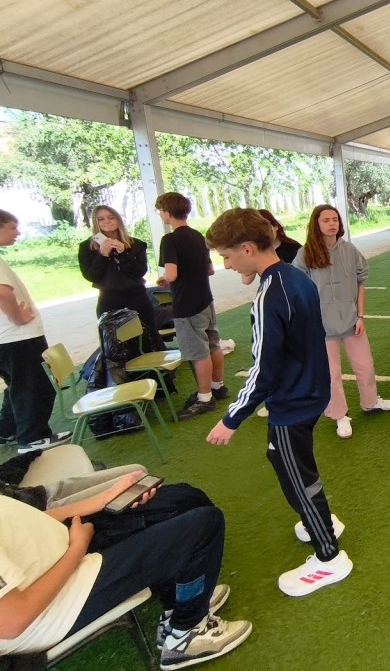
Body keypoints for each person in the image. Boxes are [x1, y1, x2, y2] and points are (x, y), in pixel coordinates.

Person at [204, 208, 350, 597]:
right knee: (293, 463)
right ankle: (320, 521)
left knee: (297, 477)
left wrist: (231, 419)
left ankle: (329, 557)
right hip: (311, 392)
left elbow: (263, 370)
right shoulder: (296, 276)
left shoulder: (269, 296)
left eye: (227, 256)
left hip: (292, 402)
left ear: (247, 248)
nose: (227, 265)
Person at [0, 480, 251, 669]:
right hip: (56, 605)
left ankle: (180, 605)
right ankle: (186, 634)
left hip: (63, 548)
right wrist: (77, 548)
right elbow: (12, 622)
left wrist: (104, 500)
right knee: (204, 525)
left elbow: (25, 519)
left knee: (185, 499)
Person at [293, 205, 390, 440]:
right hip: (321, 327)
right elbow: (298, 292)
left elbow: (360, 283)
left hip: (351, 322)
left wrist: (360, 316)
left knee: (365, 366)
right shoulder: (304, 254)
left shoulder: (349, 250)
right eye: (326, 220)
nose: (332, 224)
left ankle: (370, 402)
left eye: (335, 219)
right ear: (316, 224)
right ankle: (340, 414)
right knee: (331, 374)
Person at [0, 210, 70, 454]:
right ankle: (33, 438)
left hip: (9, 339)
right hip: (17, 337)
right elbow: (3, 292)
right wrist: (18, 317)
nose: (17, 232)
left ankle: (7, 430)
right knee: (34, 386)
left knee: (18, 385)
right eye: (12, 227)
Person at [155, 192, 228, 419]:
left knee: (198, 352)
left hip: (186, 305)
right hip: (206, 299)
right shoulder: (198, 236)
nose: (161, 215)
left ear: (167, 213)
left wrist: (164, 278)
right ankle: (218, 386)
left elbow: (172, 274)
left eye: (160, 211)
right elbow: (210, 270)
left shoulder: (169, 240)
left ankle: (205, 398)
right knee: (213, 344)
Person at [78, 205, 164, 352]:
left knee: (148, 339)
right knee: (115, 345)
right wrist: (102, 255)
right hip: (109, 300)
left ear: (118, 219)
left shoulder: (136, 244)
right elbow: (91, 276)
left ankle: (155, 365)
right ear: (96, 223)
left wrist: (123, 253)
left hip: (137, 298)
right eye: (101, 219)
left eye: (111, 217)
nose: (107, 221)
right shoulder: (87, 247)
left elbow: (139, 272)